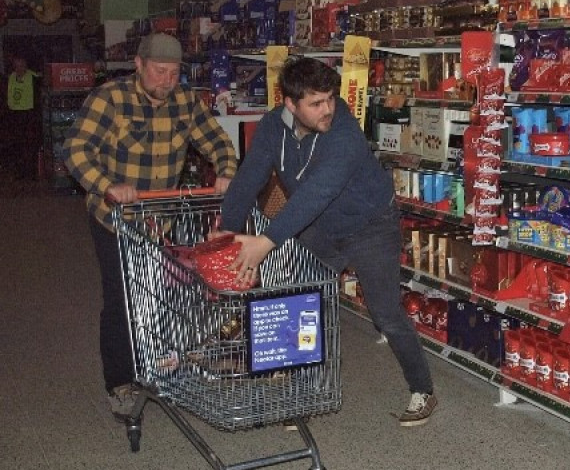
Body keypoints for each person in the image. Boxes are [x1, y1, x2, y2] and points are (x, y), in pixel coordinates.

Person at [219, 56, 437, 427]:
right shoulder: (273, 126)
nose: (327, 109)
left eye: (330, 99)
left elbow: (318, 192)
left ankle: (423, 389)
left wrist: (267, 240)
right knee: (302, 303)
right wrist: (228, 228)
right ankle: (302, 394)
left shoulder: (344, 132)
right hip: (316, 228)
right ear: (290, 103)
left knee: (385, 313)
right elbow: (249, 177)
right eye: (315, 103)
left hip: (370, 225)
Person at [63, 33, 238, 420]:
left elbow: (217, 141)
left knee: (160, 293)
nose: (167, 79)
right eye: (159, 71)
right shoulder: (110, 99)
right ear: (139, 65)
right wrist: (108, 186)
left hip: (161, 219)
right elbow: (75, 149)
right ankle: (120, 383)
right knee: (123, 300)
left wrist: (226, 172)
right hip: (116, 220)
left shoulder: (185, 102)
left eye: (174, 72)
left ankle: (161, 364)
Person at [2, 56, 41, 181]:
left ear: (26, 66)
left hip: (29, 115)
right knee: (16, 145)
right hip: (14, 116)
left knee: (29, 145)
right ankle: (19, 172)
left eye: (21, 66)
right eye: (17, 66)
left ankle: (31, 173)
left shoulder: (34, 78)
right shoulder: (10, 78)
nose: (19, 69)